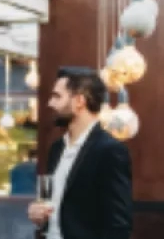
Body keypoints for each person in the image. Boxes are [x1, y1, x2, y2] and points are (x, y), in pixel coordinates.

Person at [27, 66, 132, 239]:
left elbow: (118, 225)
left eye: (57, 96)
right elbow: (60, 207)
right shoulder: (57, 148)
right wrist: (39, 214)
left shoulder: (110, 151)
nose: (50, 103)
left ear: (79, 101)